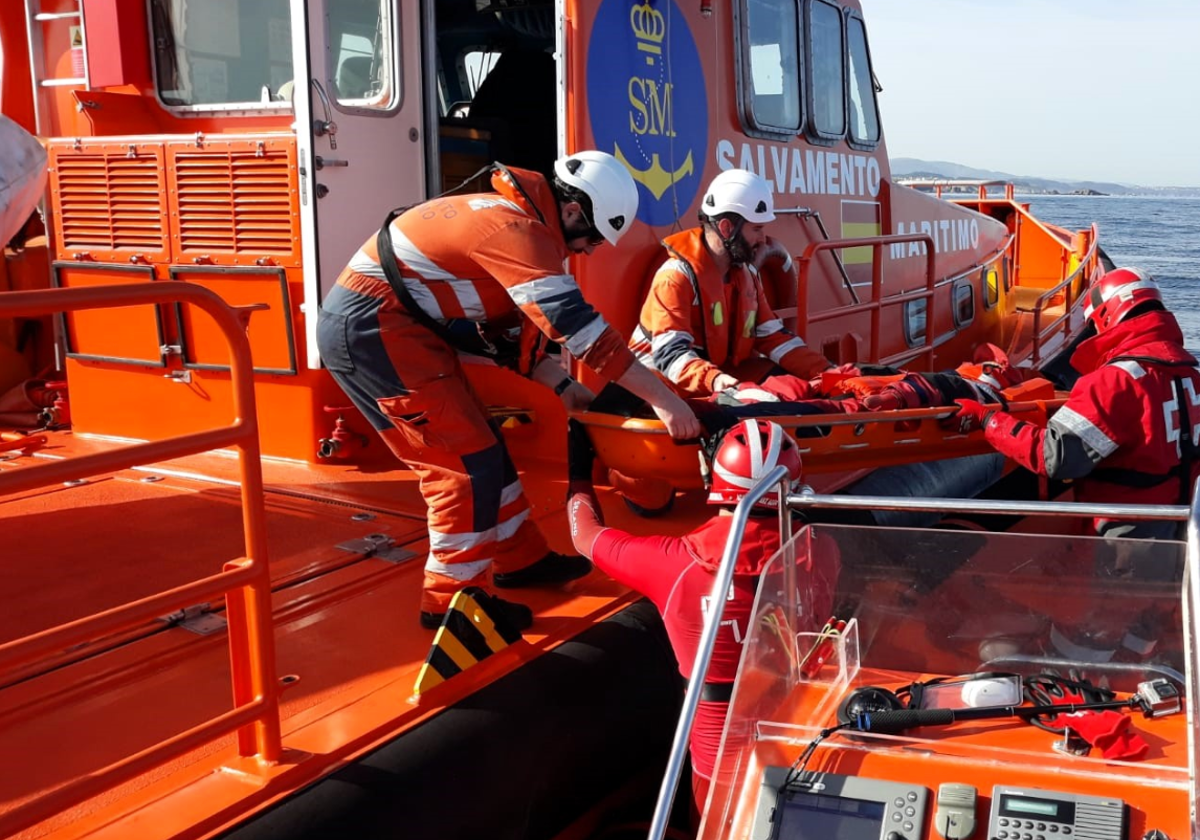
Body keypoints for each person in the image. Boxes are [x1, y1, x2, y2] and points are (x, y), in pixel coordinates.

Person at [317, 150, 701, 629]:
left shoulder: (512, 221)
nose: (588, 251)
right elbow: (584, 335)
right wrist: (666, 402)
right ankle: (451, 605)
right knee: (462, 467)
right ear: (572, 211)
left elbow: (509, 337)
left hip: (400, 331)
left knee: (485, 444)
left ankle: (520, 560)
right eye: (592, 238)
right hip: (374, 332)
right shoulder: (515, 233)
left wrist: (565, 388)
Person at [565, 418, 839, 821]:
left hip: (717, 758)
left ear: (712, 476)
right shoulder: (823, 550)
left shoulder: (671, 563)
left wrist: (578, 473)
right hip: (801, 734)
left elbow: (584, 534)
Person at [951, 267, 1200, 539]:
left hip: (1127, 537)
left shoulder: (1115, 381)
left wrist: (987, 420)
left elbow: (1056, 456)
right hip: (1180, 525)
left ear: (1105, 316)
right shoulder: (1190, 375)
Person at [629, 169, 839, 399]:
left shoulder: (746, 274)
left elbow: (773, 337)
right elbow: (670, 356)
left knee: (795, 389)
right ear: (727, 228)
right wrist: (717, 380)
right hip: (657, 389)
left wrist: (827, 371)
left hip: (716, 375)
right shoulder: (675, 278)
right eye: (757, 229)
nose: (763, 239)